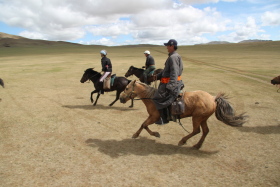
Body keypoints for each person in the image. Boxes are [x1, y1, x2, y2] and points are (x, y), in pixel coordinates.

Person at [153, 39, 184, 125]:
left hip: (169, 84)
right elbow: (166, 71)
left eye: (168, 46)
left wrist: (171, 86)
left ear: (172, 46)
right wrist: (157, 76)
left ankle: (163, 119)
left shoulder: (173, 57)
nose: (166, 47)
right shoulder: (174, 56)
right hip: (168, 82)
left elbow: (174, 72)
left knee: (156, 98)